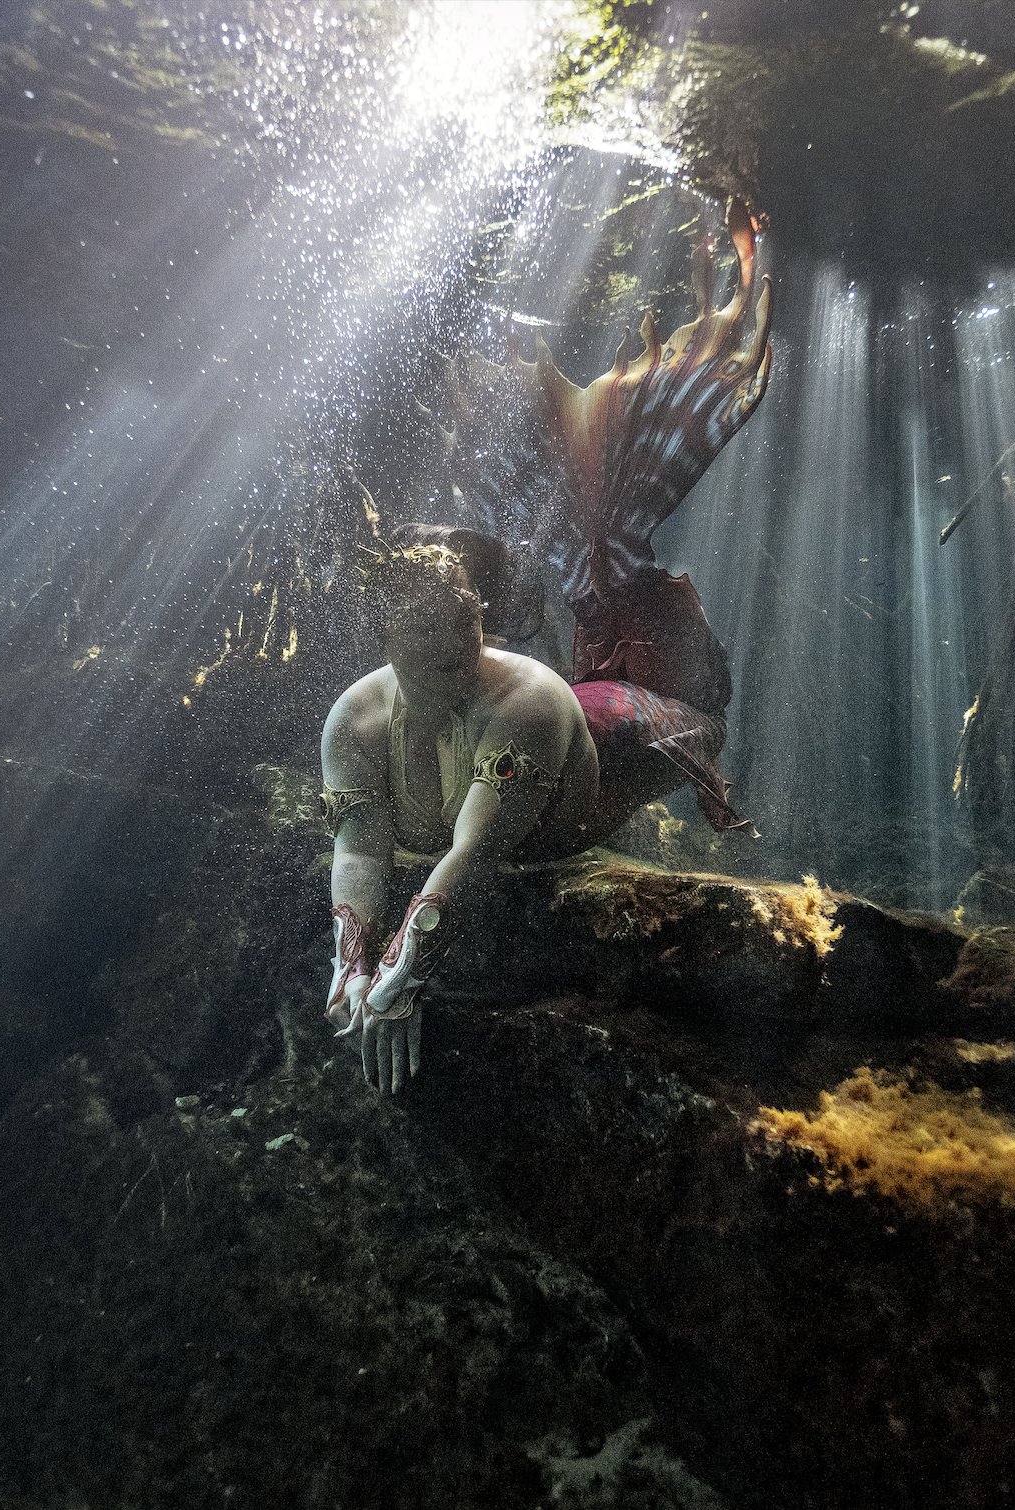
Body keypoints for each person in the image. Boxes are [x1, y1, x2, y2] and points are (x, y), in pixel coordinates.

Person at [320, 198, 773, 1092]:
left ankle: (611, 578)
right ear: (387, 647)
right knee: (596, 582)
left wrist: (404, 976)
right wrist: (349, 962)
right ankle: (602, 571)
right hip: (561, 712)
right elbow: (357, 842)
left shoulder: (521, 703)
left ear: (480, 626)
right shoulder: (350, 725)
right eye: (434, 659)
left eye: (466, 647)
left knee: (678, 713)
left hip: (606, 738)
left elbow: (473, 856)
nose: (458, 668)